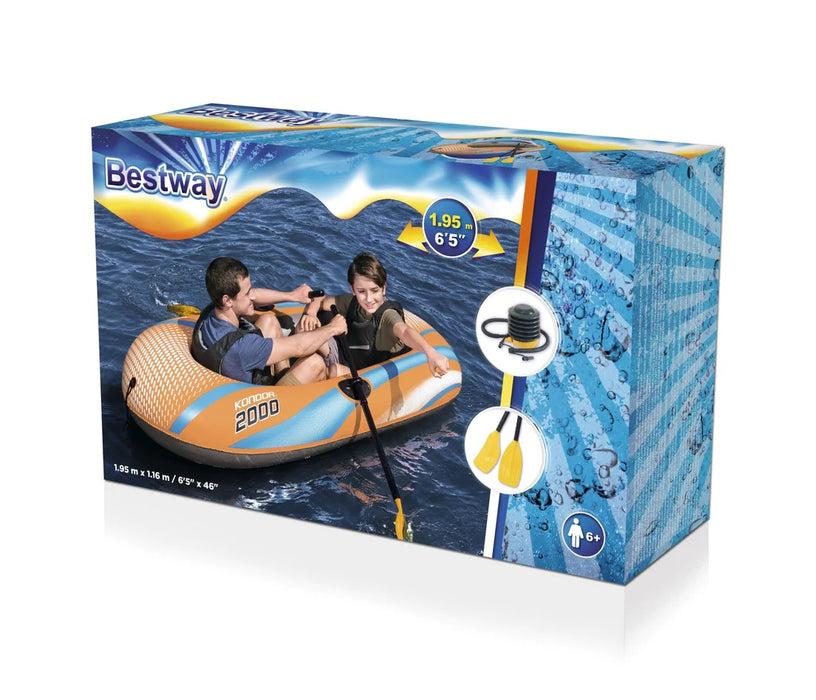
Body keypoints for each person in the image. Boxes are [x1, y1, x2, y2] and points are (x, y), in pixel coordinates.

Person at [191, 257, 348, 385]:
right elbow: (300, 347)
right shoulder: (241, 347)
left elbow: (255, 296)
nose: (252, 296)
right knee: (314, 363)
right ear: (227, 300)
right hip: (261, 399)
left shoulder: (211, 313)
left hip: (238, 369)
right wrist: (333, 328)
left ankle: (282, 374)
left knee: (269, 321)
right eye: (247, 293)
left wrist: (292, 296)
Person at [307, 252, 450, 377]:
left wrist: (431, 353)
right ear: (353, 290)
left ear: (383, 288)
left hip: (364, 373)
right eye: (362, 291)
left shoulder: (388, 315)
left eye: (374, 290)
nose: (369, 299)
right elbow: (322, 300)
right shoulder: (351, 302)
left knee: (334, 371)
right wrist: (311, 313)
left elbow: (405, 331)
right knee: (306, 329)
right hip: (346, 354)